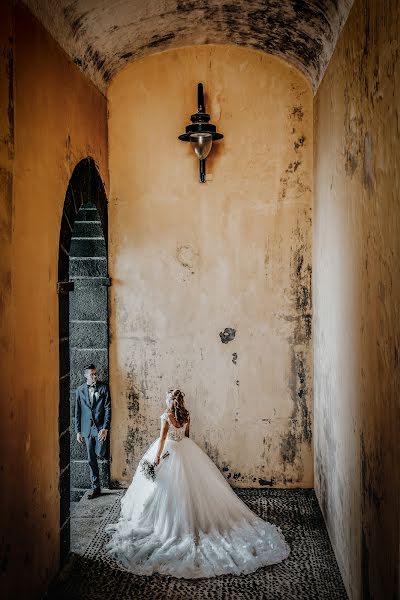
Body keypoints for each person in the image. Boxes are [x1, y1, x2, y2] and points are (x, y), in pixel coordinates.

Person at [105, 389, 289, 578]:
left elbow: (161, 440)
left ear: (169, 401)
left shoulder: (166, 416)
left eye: (167, 398)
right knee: (193, 488)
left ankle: (169, 525)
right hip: (186, 450)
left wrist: (157, 459)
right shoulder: (186, 415)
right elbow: (187, 436)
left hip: (170, 450)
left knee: (166, 491)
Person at [75, 364, 111, 499]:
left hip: (100, 427)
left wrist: (105, 428)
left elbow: (108, 408)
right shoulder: (79, 390)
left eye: (96, 374)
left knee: (101, 452)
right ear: (86, 375)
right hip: (87, 429)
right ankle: (96, 487)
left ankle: (101, 452)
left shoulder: (103, 388)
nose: (95, 376)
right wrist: (78, 431)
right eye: (92, 374)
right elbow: (77, 411)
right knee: (91, 459)